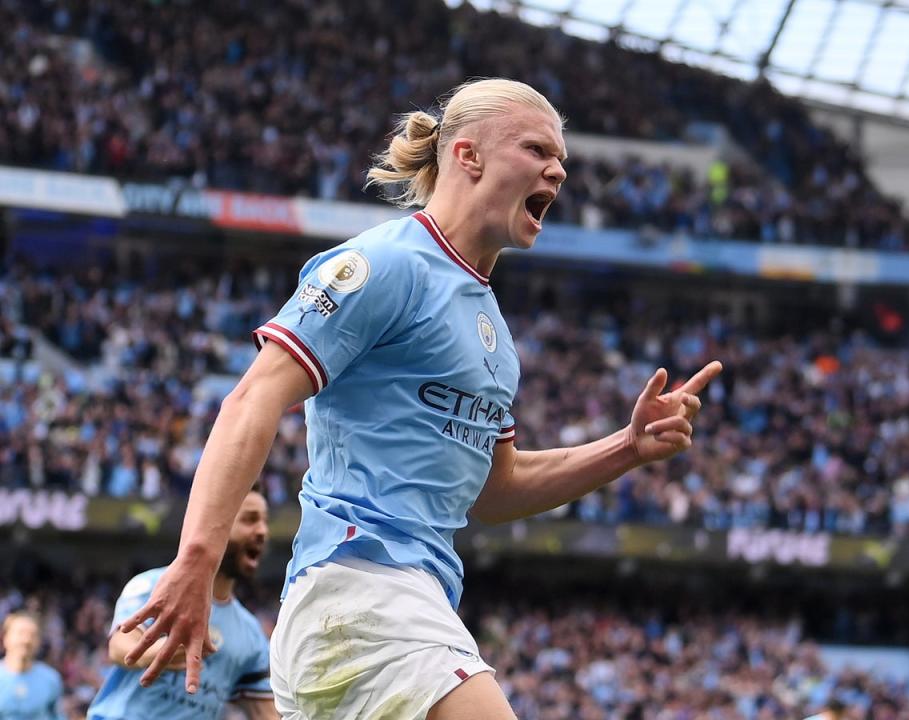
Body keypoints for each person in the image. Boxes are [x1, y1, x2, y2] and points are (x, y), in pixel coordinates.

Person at [119, 78, 722, 719]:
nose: (558, 170)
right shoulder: (387, 264)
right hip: (362, 587)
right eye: (538, 150)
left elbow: (497, 492)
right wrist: (195, 559)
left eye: (562, 161)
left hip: (391, 606)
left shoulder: (497, 339)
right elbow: (252, 399)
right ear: (468, 156)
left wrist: (626, 448)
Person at [88, 487, 278, 719]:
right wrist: (159, 652)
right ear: (217, 526)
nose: (262, 531)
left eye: (265, 522)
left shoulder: (252, 636)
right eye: (250, 520)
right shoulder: (154, 586)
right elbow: (119, 647)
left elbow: (266, 714)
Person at [0, 612, 64, 720]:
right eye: (20, 633)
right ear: (5, 638)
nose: (26, 640)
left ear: (39, 642)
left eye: (32, 635)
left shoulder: (50, 678)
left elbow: (57, 715)